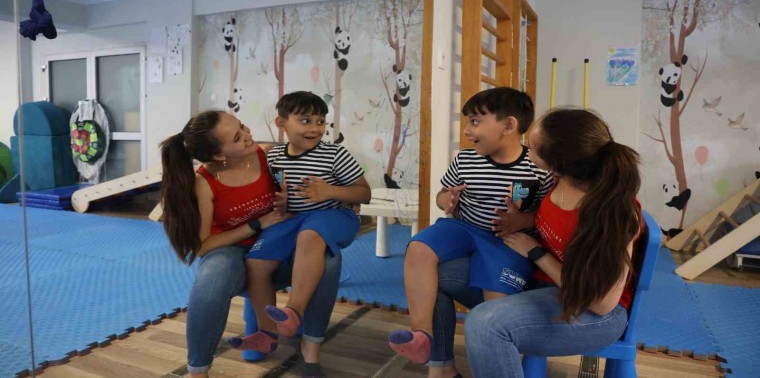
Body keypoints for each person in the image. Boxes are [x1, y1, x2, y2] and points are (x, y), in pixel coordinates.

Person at [160, 110, 342, 378]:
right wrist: (257, 224)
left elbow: (302, 193)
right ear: (218, 155)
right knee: (211, 277)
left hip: (276, 246)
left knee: (330, 259)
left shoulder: (268, 156)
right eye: (237, 137)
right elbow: (203, 247)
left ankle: (310, 346)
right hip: (232, 251)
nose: (248, 135)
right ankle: (198, 371)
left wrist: (337, 198)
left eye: (243, 126)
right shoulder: (204, 183)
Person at [464, 108, 642, 377]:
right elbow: (558, 221)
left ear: (559, 162)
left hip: (595, 314)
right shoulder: (561, 179)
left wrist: (536, 253)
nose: (526, 149)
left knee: (486, 324)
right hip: (547, 283)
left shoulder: (612, 214)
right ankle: (441, 366)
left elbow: (600, 303)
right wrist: (524, 220)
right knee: (446, 274)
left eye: (533, 147)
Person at [388, 87, 552, 367]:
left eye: (475, 122)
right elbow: (442, 194)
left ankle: (502, 361)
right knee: (418, 247)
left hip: (509, 241)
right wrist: (447, 200)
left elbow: (547, 212)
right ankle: (421, 336)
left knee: (496, 301)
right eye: (467, 122)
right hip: (466, 228)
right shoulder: (465, 159)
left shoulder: (537, 166)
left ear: (509, 126)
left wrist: (524, 220)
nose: (466, 131)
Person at [227, 92, 371, 373]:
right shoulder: (274, 156)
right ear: (281, 123)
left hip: (334, 217)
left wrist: (329, 191)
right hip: (291, 219)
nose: (315, 128)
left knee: (310, 235)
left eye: (321, 121)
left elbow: (363, 193)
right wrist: (278, 201)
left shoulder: (335, 154)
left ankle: (294, 311)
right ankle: (266, 333)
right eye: (305, 121)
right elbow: (271, 190)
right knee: (256, 262)